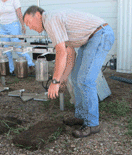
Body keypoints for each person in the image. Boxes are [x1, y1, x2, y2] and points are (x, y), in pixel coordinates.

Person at [23, 6, 115, 138]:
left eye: (28, 22)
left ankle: (92, 124)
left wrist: (55, 81)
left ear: (37, 15)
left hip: (100, 35)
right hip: (89, 40)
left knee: (85, 80)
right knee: (75, 78)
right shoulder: (53, 22)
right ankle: (82, 117)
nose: (29, 27)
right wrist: (64, 78)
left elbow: (61, 52)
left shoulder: (50, 20)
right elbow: (69, 52)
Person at [0, 0, 35, 74]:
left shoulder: (14, 1)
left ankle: (30, 64)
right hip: (2, 27)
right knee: (6, 49)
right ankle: (11, 70)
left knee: (18, 48)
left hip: (13, 25)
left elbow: (19, 13)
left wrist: (23, 25)